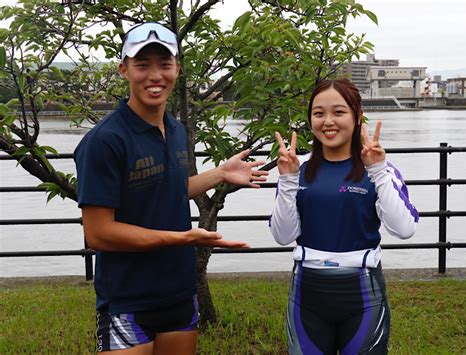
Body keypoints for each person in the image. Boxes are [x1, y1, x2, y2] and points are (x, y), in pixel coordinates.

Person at [74, 22, 268, 354]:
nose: (155, 75)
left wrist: (219, 173)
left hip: (178, 292)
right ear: (123, 69)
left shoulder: (176, 129)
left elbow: (166, 190)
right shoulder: (105, 140)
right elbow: (98, 233)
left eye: (164, 64)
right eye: (142, 65)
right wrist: (182, 239)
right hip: (127, 298)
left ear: (177, 68)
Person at [270, 78, 418, 354]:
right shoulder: (296, 168)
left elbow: (404, 228)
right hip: (306, 293)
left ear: (357, 117)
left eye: (339, 112)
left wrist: (378, 171)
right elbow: (282, 235)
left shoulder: (378, 169)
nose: (328, 121)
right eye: (318, 113)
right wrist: (288, 180)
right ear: (310, 119)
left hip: (363, 293)